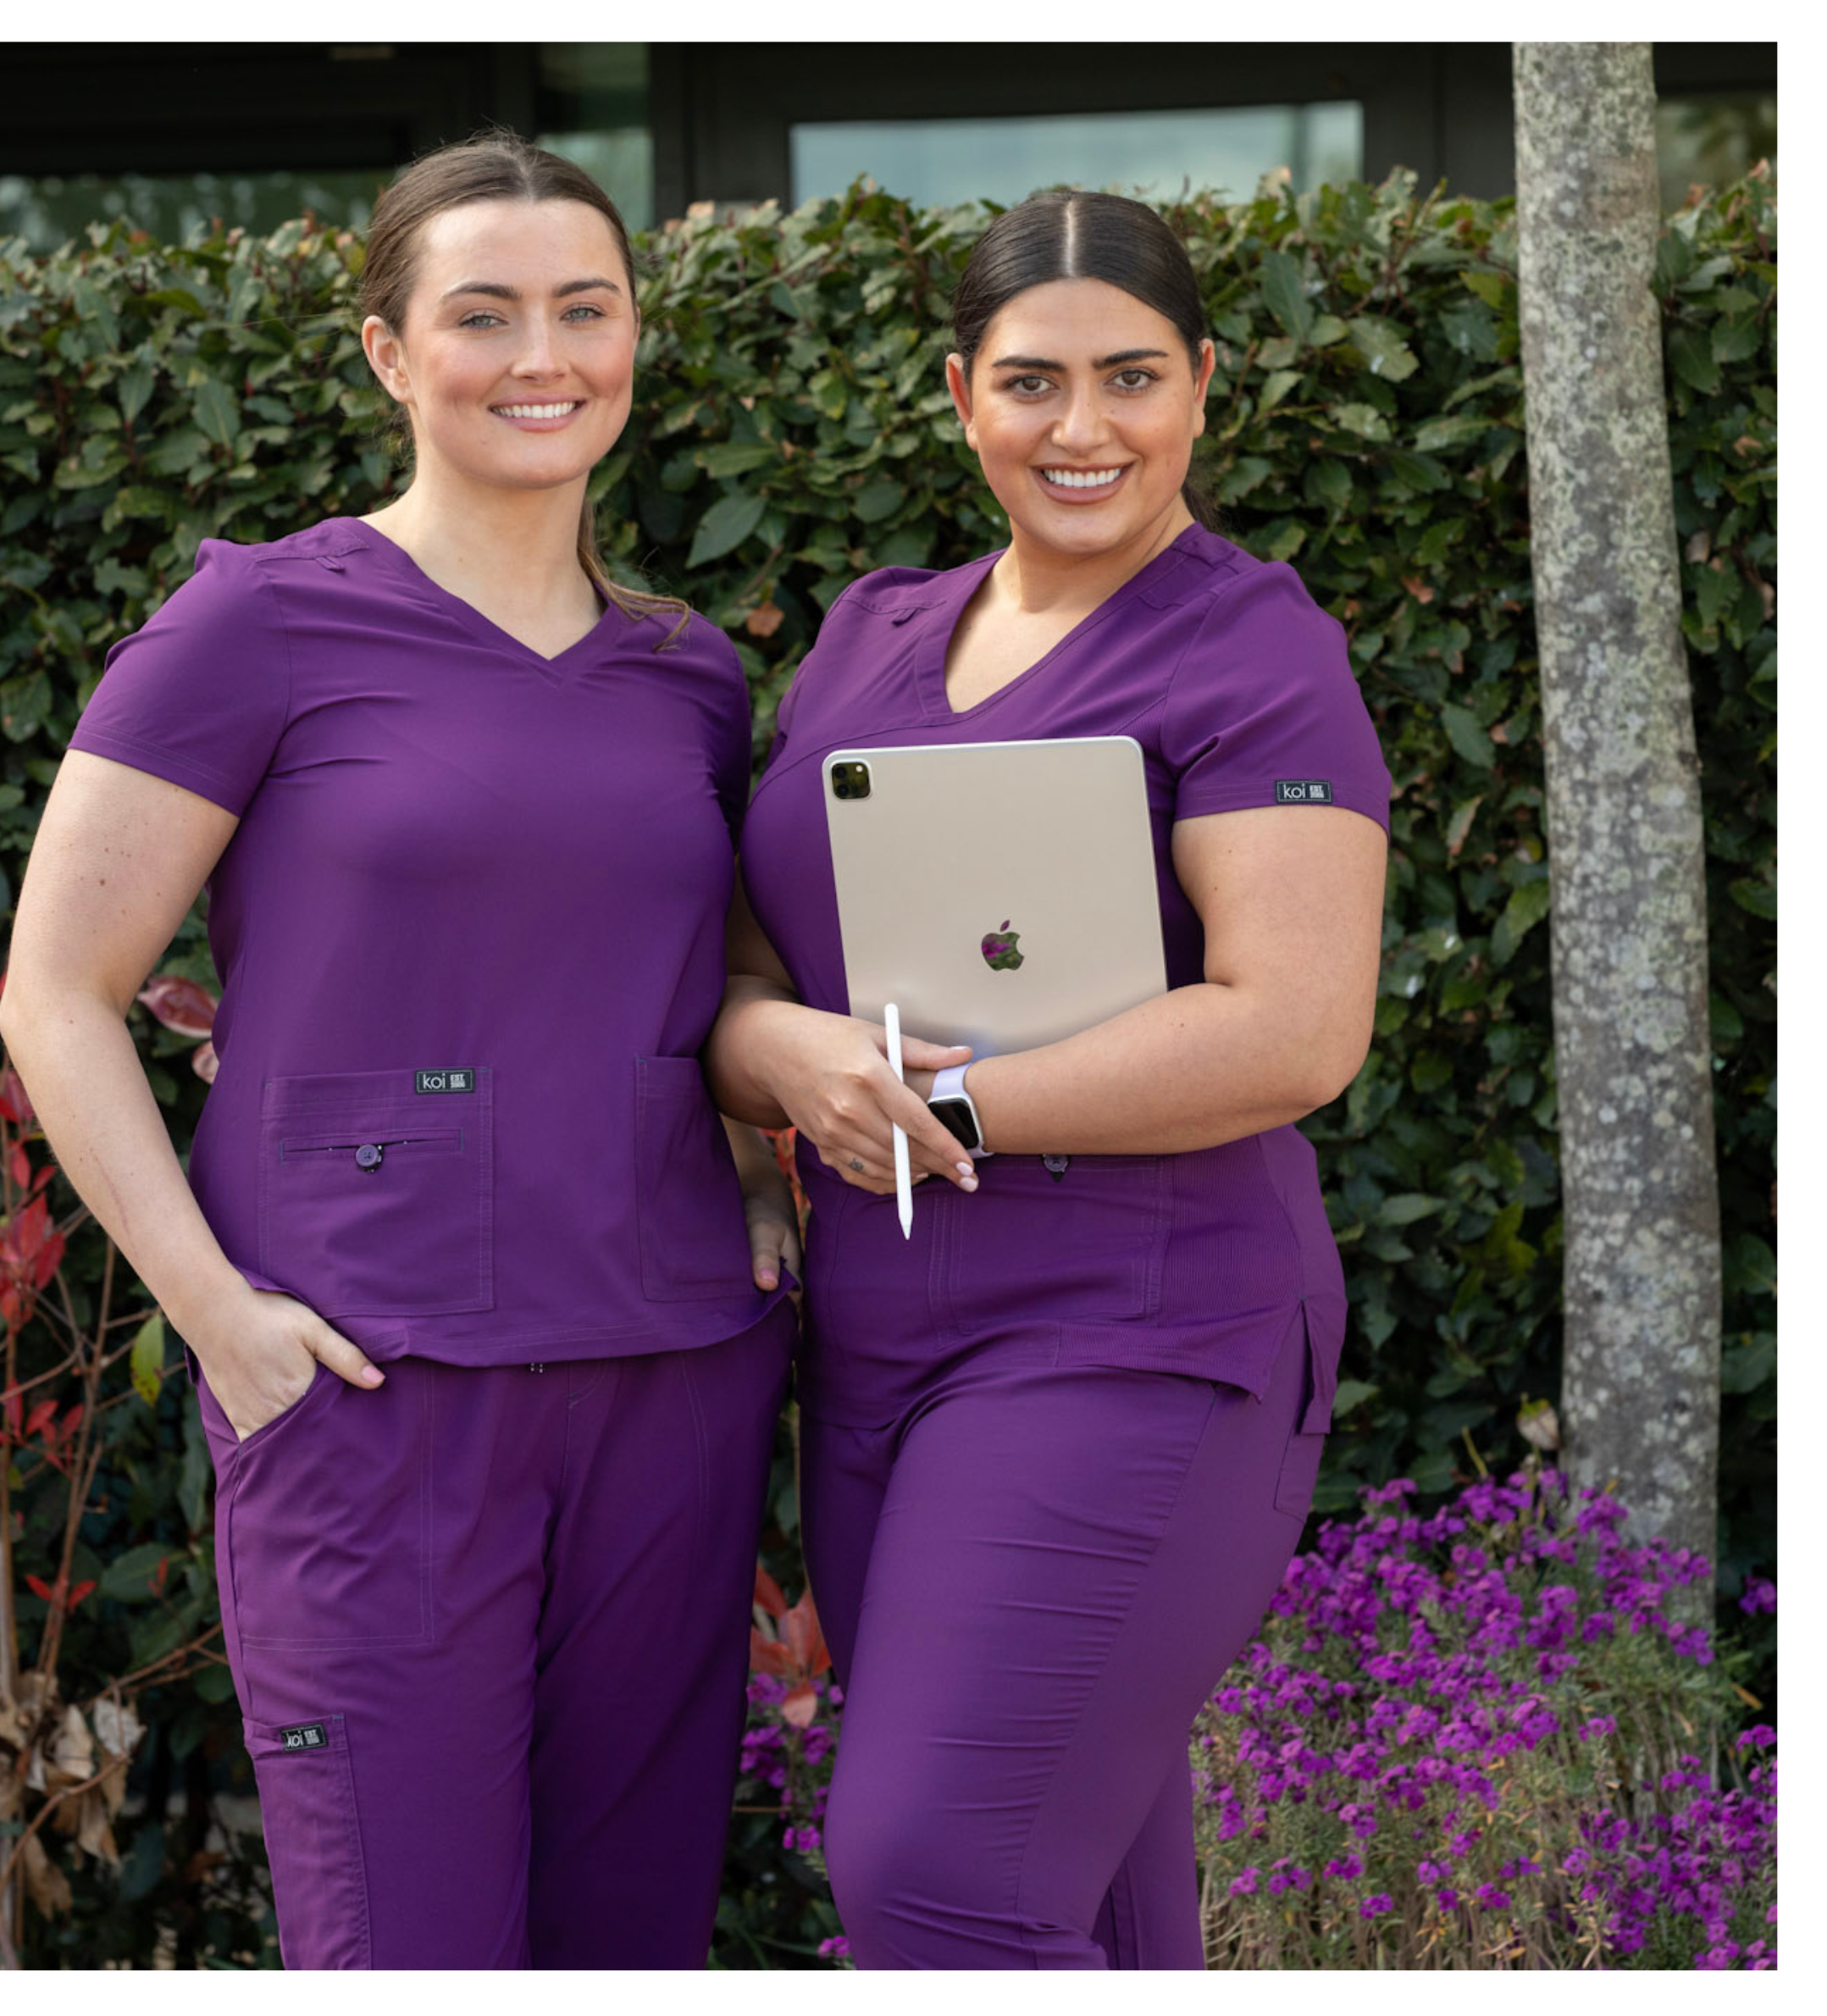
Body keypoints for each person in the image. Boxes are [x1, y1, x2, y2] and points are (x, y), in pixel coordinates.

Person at [0, 131, 801, 1969]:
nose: (543, 356)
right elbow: (56, 991)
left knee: (631, 1941)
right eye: (484, 314)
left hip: (671, 1371)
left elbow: (703, 964)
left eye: (584, 309)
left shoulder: (687, 669)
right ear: (387, 352)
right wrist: (217, 1315)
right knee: (403, 1942)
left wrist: (757, 1168)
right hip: (370, 1384)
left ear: (634, 335)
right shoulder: (256, 622)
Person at [705, 187, 1391, 1969]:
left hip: (1137, 1330)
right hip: (879, 1349)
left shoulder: (1253, 646)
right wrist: (774, 1052)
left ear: (1203, 385)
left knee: (937, 1877)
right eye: (1030, 381)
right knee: (1089, 1898)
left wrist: (939, 1110)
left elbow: (1293, 1025)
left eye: (1131, 376)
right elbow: (760, 957)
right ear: (961, 397)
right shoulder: (867, 633)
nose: (1082, 427)